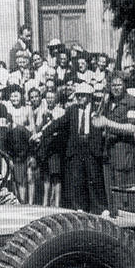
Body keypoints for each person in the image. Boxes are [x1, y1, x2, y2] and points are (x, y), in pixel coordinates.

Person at [40, 82, 107, 213]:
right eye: (78, 95)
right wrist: (42, 133)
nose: (79, 98)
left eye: (82, 95)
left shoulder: (98, 109)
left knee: (94, 178)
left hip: (92, 148)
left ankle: (99, 208)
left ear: (89, 96)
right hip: (76, 149)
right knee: (77, 180)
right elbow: (58, 123)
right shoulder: (72, 110)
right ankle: (79, 208)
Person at [94, 72, 135, 195]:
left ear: (125, 85)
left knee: (124, 192)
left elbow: (131, 128)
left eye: (119, 85)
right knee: (110, 191)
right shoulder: (108, 102)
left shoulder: (132, 102)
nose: (116, 88)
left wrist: (107, 123)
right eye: (113, 85)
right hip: (109, 150)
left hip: (124, 151)